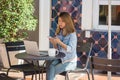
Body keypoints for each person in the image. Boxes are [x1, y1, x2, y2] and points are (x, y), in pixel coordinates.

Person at [47, 12, 77, 80]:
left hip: (70, 61)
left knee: (52, 69)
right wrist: (54, 43)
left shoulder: (72, 34)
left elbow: (70, 49)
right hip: (61, 59)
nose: (60, 23)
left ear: (67, 22)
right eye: (59, 21)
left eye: (62, 21)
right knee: (49, 66)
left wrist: (60, 42)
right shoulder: (59, 33)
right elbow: (58, 51)